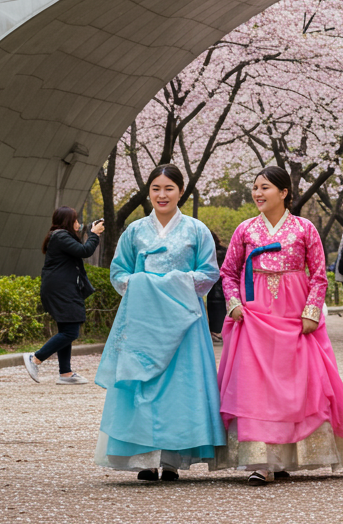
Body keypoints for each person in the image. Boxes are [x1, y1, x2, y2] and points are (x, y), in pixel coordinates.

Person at [218, 165, 343, 484]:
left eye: (265, 187)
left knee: (299, 384)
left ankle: (287, 456)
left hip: (295, 315)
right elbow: (228, 272)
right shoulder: (244, 229)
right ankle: (261, 461)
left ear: (284, 193)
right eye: (255, 187)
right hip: (254, 316)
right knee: (255, 388)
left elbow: (318, 276)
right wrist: (234, 304)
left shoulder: (304, 228)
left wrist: (311, 311)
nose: (257, 193)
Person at [93, 164, 225, 480]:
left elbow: (209, 273)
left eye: (168, 188)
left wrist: (168, 283)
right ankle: (145, 458)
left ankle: (171, 460)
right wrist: (145, 286)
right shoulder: (135, 231)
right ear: (149, 192)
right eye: (156, 189)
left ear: (180, 191)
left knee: (179, 388)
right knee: (143, 385)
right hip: (142, 321)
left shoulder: (197, 230)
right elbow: (118, 273)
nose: (162, 195)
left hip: (185, 323)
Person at [24, 207, 104, 385]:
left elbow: (79, 251)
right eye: (75, 220)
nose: (78, 223)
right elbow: (85, 251)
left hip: (61, 289)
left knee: (66, 329)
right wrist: (94, 234)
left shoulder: (60, 236)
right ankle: (35, 358)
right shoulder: (60, 236)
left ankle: (65, 373)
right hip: (61, 291)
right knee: (71, 331)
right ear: (67, 221)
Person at [207, 232, 228, 343]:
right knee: (223, 314)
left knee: (215, 315)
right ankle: (221, 333)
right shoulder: (225, 251)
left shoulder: (210, 254)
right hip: (224, 289)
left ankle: (216, 333)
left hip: (213, 290)